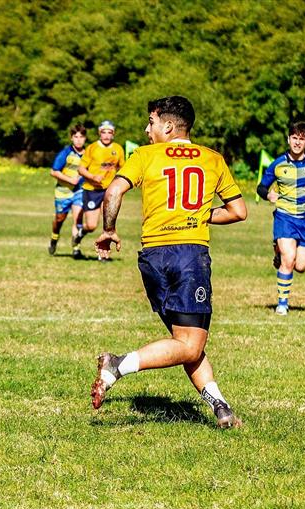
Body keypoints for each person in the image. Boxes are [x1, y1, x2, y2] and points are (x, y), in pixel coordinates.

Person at [92, 96, 247, 429]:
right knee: (189, 344)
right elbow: (238, 211)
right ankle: (117, 365)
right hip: (189, 256)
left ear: (168, 125)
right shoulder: (212, 158)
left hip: (152, 258)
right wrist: (203, 214)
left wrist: (108, 230)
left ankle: (221, 408)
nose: (147, 130)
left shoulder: (144, 156)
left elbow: (113, 193)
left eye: (151, 122)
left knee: (184, 343)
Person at [257, 120, 305, 315]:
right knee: (288, 259)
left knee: (301, 265)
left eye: (302, 139)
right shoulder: (278, 164)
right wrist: (268, 195)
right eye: (294, 138)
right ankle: (282, 304)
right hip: (285, 217)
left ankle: (278, 253)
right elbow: (261, 187)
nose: (297, 142)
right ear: (288, 139)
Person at [76, 120, 124, 260]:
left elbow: (122, 168)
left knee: (107, 223)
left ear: (113, 134)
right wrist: (92, 177)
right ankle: (80, 232)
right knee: (91, 225)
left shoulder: (118, 149)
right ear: (99, 133)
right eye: (104, 132)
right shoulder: (92, 148)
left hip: (108, 191)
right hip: (92, 190)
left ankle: (103, 254)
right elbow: (80, 169)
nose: (107, 135)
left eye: (110, 132)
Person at [48, 124, 86, 256]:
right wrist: (70, 180)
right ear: (71, 138)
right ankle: (54, 237)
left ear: (85, 138)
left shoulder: (88, 154)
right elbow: (53, 171)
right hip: (62, 192)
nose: (79, 140)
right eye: (76, 137)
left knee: (78, 219)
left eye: (81, 136)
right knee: (59, 220)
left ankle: (76, 248)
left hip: (79, 191)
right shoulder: (65, 153)